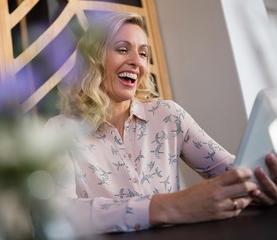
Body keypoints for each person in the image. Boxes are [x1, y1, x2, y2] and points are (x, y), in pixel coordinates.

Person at [43, 11, 277, 234]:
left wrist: (263, 182)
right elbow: (60, 216)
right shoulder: (60, 131)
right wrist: (173, 205)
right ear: (93, 60)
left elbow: (233, 172)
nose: (137, 62)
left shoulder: (168, 115)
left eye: (143, 53)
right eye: (123, 49)